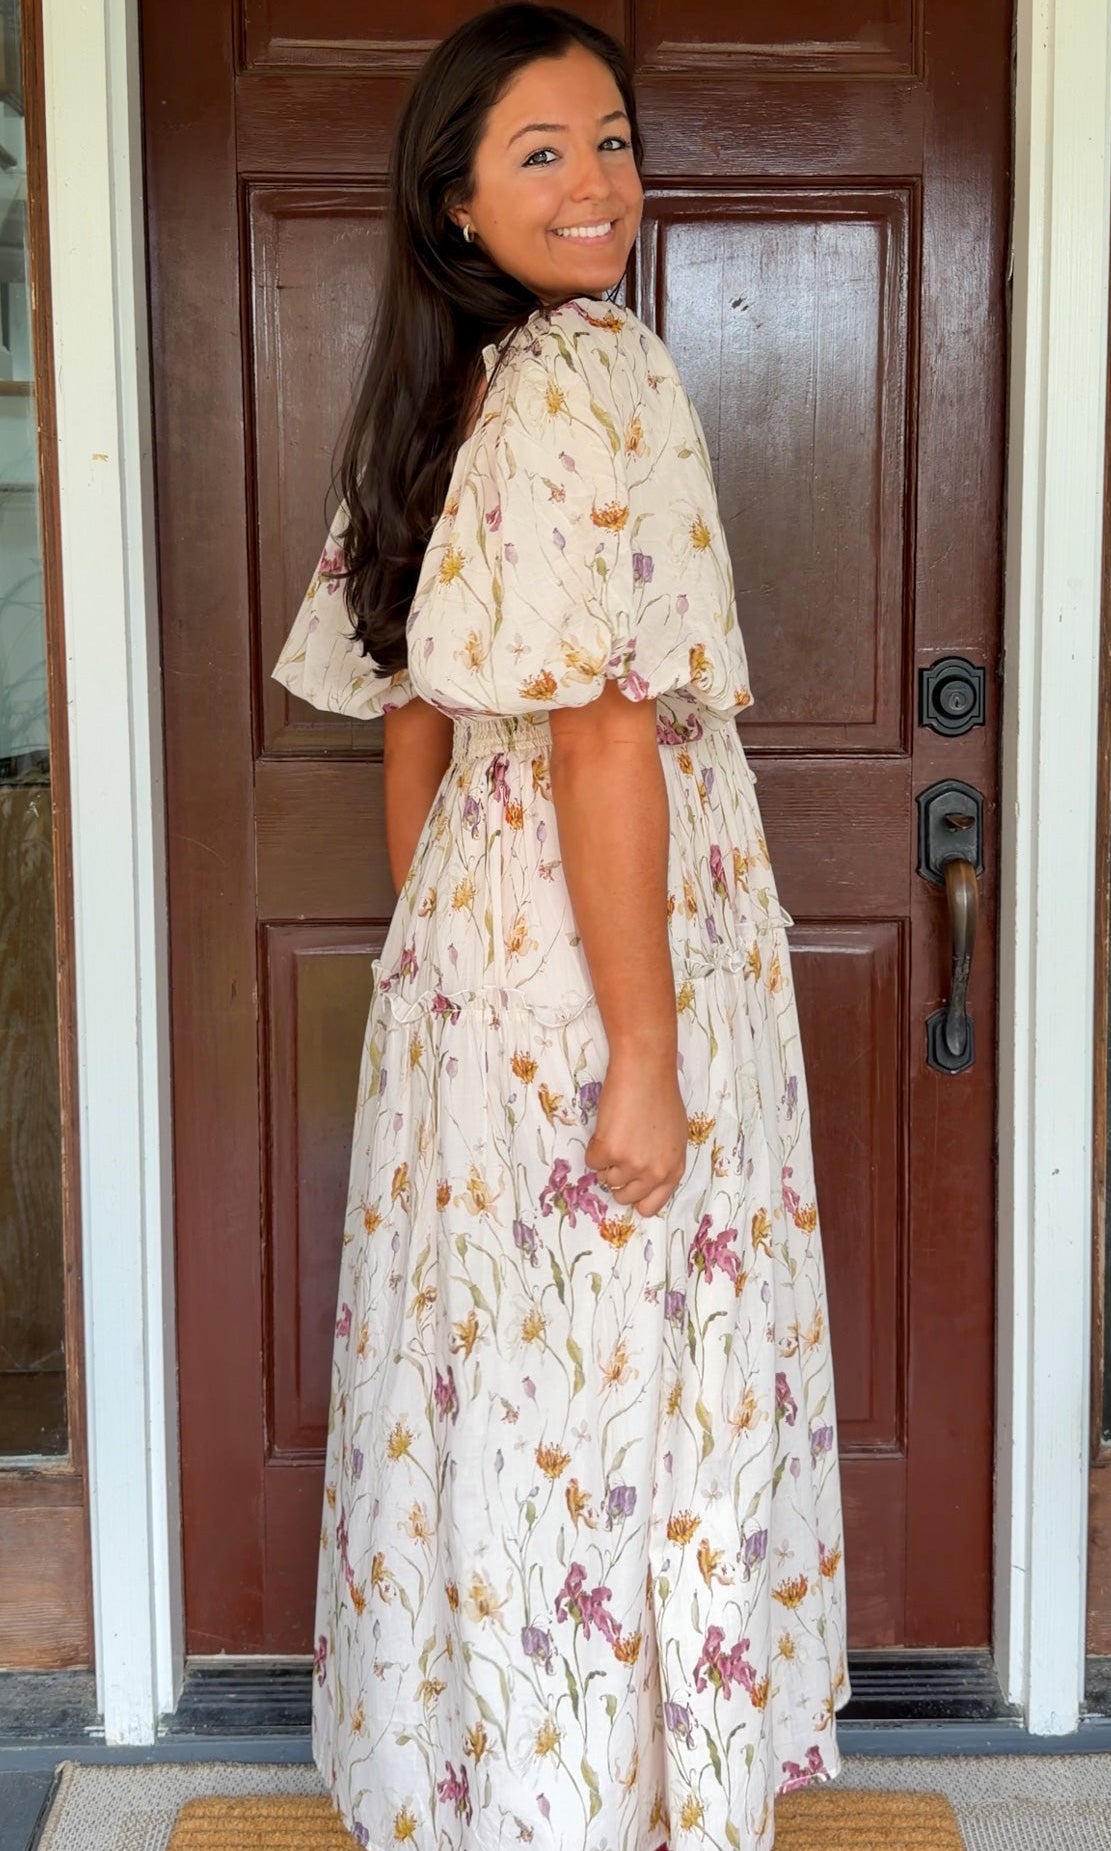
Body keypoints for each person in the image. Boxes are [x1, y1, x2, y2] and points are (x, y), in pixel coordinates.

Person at [272, 7, 850, 1848]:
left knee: (495, 1372)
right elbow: (606, 719)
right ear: (452, 200)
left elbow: (417, 724)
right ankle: (603, 1804)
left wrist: (450, 959)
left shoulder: (435, 396)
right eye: (543, 152)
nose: (600, 184)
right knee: (621, 1375)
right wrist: (648, 1053)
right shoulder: (596, 372)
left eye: (612, 140)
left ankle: (490, 1783)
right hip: (613, 940)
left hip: (478, 946)